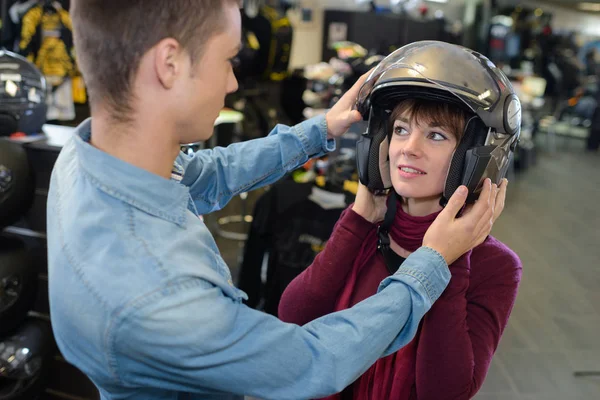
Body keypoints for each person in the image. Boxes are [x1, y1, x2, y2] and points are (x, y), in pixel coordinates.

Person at [46, 3, 506, 400]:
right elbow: (311, 362)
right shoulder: (158, 293)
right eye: (229, 59)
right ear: (169, 63)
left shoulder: (88, 159)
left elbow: (207, 175)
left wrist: (319, 130)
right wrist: (432, 264)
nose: (232, 82)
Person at [279, 41, 523, 400]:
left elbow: (446, 391)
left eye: (436, 135)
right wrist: (359, 218)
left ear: (476, 158)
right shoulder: (365, 231)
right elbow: (294, 317)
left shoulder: (495, 265)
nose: (409, 147)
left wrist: (447, 261)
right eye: (401, 130)